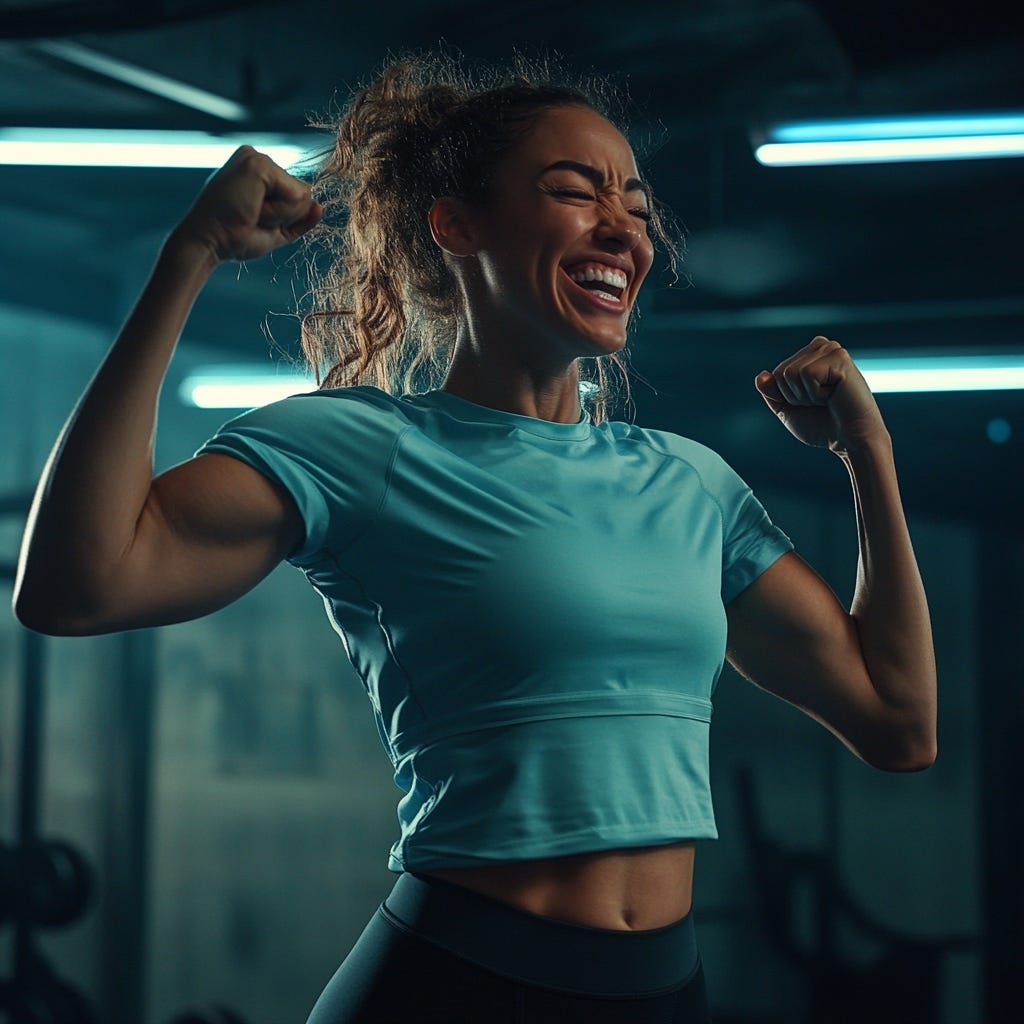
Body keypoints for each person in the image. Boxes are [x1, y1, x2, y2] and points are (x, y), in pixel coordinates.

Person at [13, 52, 936, 1024]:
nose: (621, 225)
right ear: (457, 225)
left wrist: (865, 455)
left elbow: (897, 722)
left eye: (633, 200)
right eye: (574, 191)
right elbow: (77, 585)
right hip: (458, 986)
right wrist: (188, 255)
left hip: (663, 991)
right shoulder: (360, 446)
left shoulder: (690, 483)